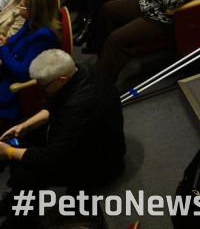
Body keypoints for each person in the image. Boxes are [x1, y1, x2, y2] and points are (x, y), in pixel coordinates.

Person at [0, 50, 124, 196]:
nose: (41, 89)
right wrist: (28, 124)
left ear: (62, 79)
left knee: (26, 172)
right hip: (96, 140)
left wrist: (10, 152)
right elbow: (55, 103)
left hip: (103, 166)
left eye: (43, 86)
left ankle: (20, 215)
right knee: (24, 133)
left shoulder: (78, 107)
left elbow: (53, 159)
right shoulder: (84, 69)